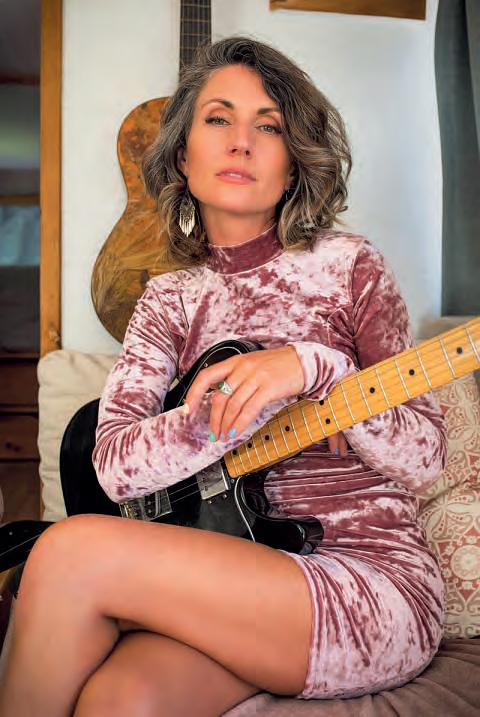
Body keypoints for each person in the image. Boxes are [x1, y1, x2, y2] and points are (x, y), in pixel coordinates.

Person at [0, 37, 446, 717]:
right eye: (218, 119)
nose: (241, 142)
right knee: (120, 700)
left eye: (268, 126)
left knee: (65, 553)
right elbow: (114, 466)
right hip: (233, 565)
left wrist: (314, 367)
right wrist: (226, 412)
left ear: (293, 161)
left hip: (366, 580)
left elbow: (426, 455)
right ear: (183, 154)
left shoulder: (351, 266)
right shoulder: (167, 299)